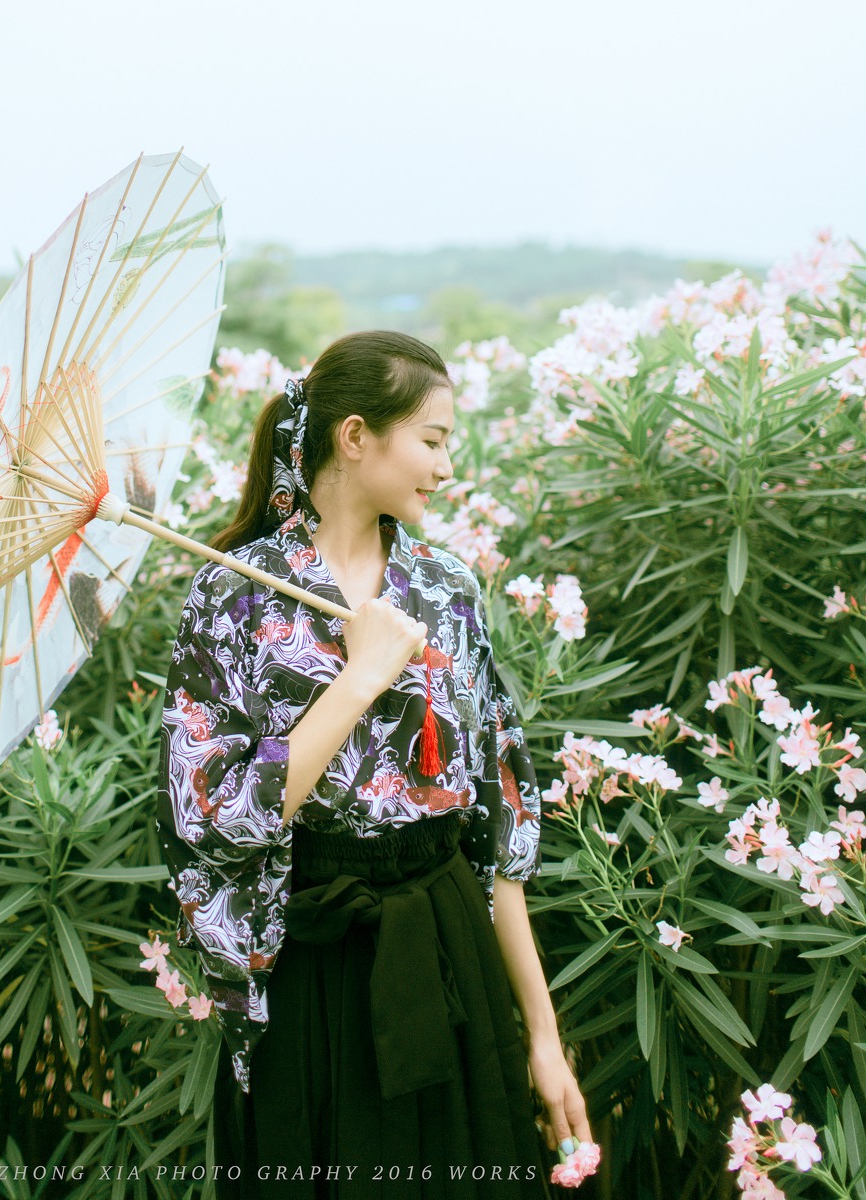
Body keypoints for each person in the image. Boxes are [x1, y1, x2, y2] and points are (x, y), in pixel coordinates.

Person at [156, 331, 591, 1197]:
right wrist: (358, 678)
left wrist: (542, 1037)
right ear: (357, 437)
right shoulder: (234, 594)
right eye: (431, 440)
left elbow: (498, 829)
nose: (444, 464)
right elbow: (216, 816)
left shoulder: (444, 589)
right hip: (314, 969)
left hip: (447, 947)